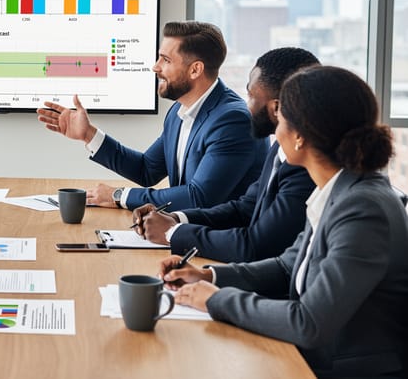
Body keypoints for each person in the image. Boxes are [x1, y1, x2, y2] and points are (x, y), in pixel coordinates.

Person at [163, 66, 408, 378]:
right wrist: (208, 276)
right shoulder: (338, 189)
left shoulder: (362, 209)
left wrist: (218, 300)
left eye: (281, 120)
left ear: (301, 136)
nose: (275, 130)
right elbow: (287, 266)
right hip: (309, 358)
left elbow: (310, 322)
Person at [37, 21, 266, 211]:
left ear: (195, 69)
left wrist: (118, 195)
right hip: (186, 231)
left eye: (165, 60)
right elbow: (147, 170)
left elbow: (199, 198)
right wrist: (89, 135)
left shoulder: (233, 120)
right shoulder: (179, 112)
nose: (155, 67)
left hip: (221, 248)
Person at [131, 47, 319, 262]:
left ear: (276, 108)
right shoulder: (281, 149)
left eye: (250, 96)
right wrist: (176, 218)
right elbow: (244, 209)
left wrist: (173, 233)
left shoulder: (305, 167)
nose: (246, 106)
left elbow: (257, 246)